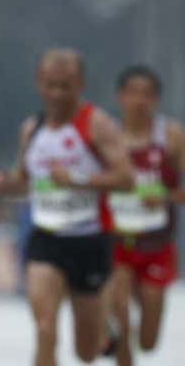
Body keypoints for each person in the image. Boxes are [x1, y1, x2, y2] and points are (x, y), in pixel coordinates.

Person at [0, 48, 134, 366]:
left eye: (65, 86)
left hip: (89, 240)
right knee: (44, 327)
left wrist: (78, 180)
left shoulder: (96, 124)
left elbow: (126, 178)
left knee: (87, 351)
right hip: (46, 238)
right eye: (50, 85)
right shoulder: (32, 129)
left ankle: (108, 332)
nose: (56, 94)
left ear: (79, 84)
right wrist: (5, 185)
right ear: (39, 83)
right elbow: (25, 180)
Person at [104, 65, 184, 366]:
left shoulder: (171, 137)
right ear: (120, 97)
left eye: (147, 94)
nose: (140, 100)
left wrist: (163, 195)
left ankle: (132, 334)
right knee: (122, 320)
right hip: (116, 244)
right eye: (133, 93)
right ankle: (118, 334)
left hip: (156, 247)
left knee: (148, 342)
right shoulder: (106, 136)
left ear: (157, 100)